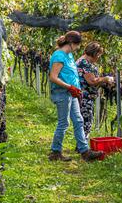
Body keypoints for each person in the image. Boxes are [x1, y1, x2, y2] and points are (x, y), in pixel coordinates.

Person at [48, 31, 104, 162]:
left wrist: (75, 88)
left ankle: (85, 152)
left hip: (71, 93)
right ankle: (55, 152)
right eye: (78, 45)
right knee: (64, 122)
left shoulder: (69, 55)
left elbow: (70, 74)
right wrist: (70, 87)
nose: (78, 48)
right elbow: (53, 77)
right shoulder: (59, 56)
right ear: (72, 43)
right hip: (62, 93)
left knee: (79, 120)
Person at [76, 42, 114, 142]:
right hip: (85, 97)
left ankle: (81, 145)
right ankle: (82, 147)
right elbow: (92, 81)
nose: (99, 58)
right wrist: (105, 79)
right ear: (95, 53)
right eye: (99, 55)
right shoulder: (84, 63)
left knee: (85, 121)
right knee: (86, 121)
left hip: (85, 96)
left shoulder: (85, 62)